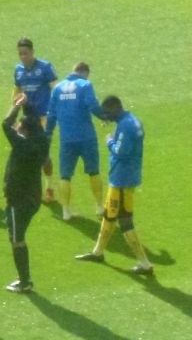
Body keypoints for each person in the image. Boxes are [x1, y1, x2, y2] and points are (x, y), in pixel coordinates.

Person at [75, 96, 151, 274]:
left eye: (108, 113)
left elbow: (120, 152)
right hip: (125, 177)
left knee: (125, 223)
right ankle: (98, 252)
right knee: (109, 216)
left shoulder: (125, 126)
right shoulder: (133, 121)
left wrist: (109, 141)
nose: (106, 117)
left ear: (116, 109)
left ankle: (145, 264)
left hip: (122, 181)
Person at [1, 93, 50, 293]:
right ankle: (24, 279)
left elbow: (5, 125)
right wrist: (27, 105)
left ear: (25, 132)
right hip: (33, 198)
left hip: (18, 201)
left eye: (20, 128)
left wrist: (15, 107)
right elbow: (34, 122)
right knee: (18, 236)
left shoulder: (23, 146)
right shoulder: (42, 140)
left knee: (16, 239)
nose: (17, 130)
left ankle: (25, 281)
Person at [46, 61, 106, 221]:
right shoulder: (85, 85)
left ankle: (66, 211)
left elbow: (51, 114)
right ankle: (100, 206)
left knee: (65, 175)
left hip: (67, 138)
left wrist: (48, 133)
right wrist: (105, 117)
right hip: (86, 137)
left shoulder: (57, 88)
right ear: (85, 72)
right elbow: (92, 105)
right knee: (93, 171)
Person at [12, 38, 58, 201]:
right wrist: (13, 110)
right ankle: (29, 188)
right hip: (26, 119)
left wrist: (55, 109)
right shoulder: (18, 70)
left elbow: (56, 88)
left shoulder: (45, 67)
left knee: (43, 154)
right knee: (24, 153)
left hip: (43, 117)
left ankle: (49, 187)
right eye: (20, 54)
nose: (23, 57)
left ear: (32, 52)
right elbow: (17, 89)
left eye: (25, 53)